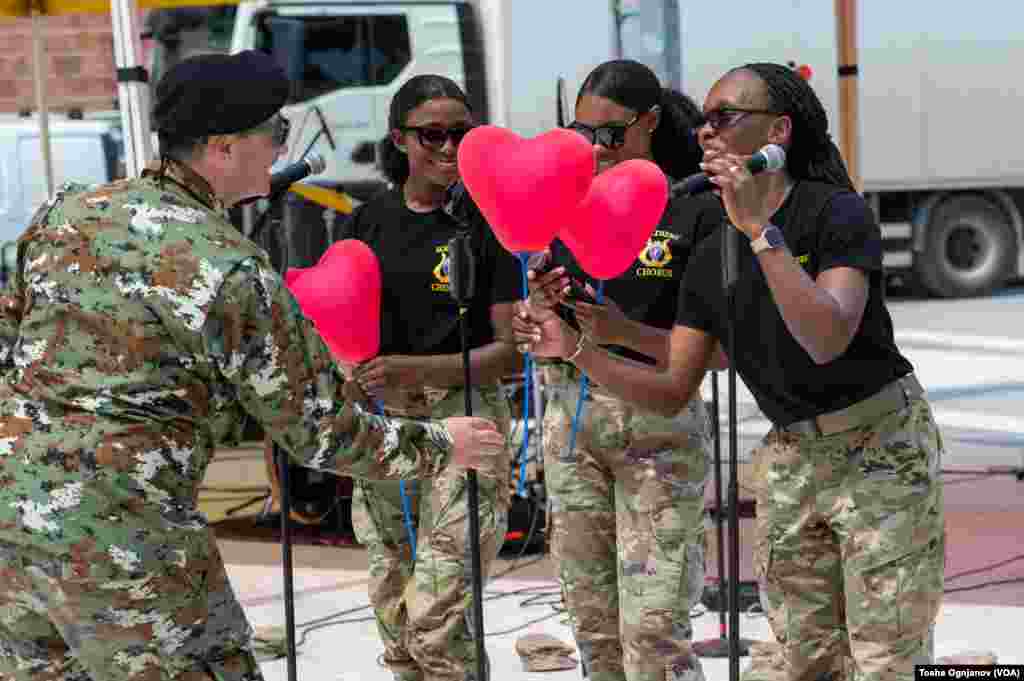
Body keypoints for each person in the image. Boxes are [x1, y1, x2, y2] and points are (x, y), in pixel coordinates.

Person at [0, 51, 506, 681]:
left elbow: (10, 346)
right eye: (275, 132)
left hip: (14, 531)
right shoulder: (224, 268)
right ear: (221, 147)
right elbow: (320, 432)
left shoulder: (64, 215)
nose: (279, 148)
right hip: (123, 535)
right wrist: (441, 445)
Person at [515, 61, 945, 681]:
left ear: (780, 131)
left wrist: (759, 234)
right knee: (803, 662)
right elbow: (671, 388)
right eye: (705, 121)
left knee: (886, 662)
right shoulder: (714, 246)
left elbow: (825, 336)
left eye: (726, 118)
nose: (707, 132)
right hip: (793, 458)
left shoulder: (835, 214)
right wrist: (581, 343)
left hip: (880, 450)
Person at [524, 59, 720, 681]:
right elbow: (540, 324)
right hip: (573, 424)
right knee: (593, 626)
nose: (597, 150)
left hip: (657, 431)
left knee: (655, 629)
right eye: (583, 134)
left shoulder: (692, 208)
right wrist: (541, 307)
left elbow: (718, 354)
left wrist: (618, 333)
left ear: (651, 124)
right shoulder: (565, 204)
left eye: (611, 134)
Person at [342, 74, 522, 681]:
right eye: (432, 136)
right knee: (395, 609)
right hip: (387, 428)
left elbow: (508, 356)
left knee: (436, 611)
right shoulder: (367, 222)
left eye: (460, 135)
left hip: (465, 419)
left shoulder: (487, 224)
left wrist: (409, 368)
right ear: (400, 139)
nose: (448, 149)